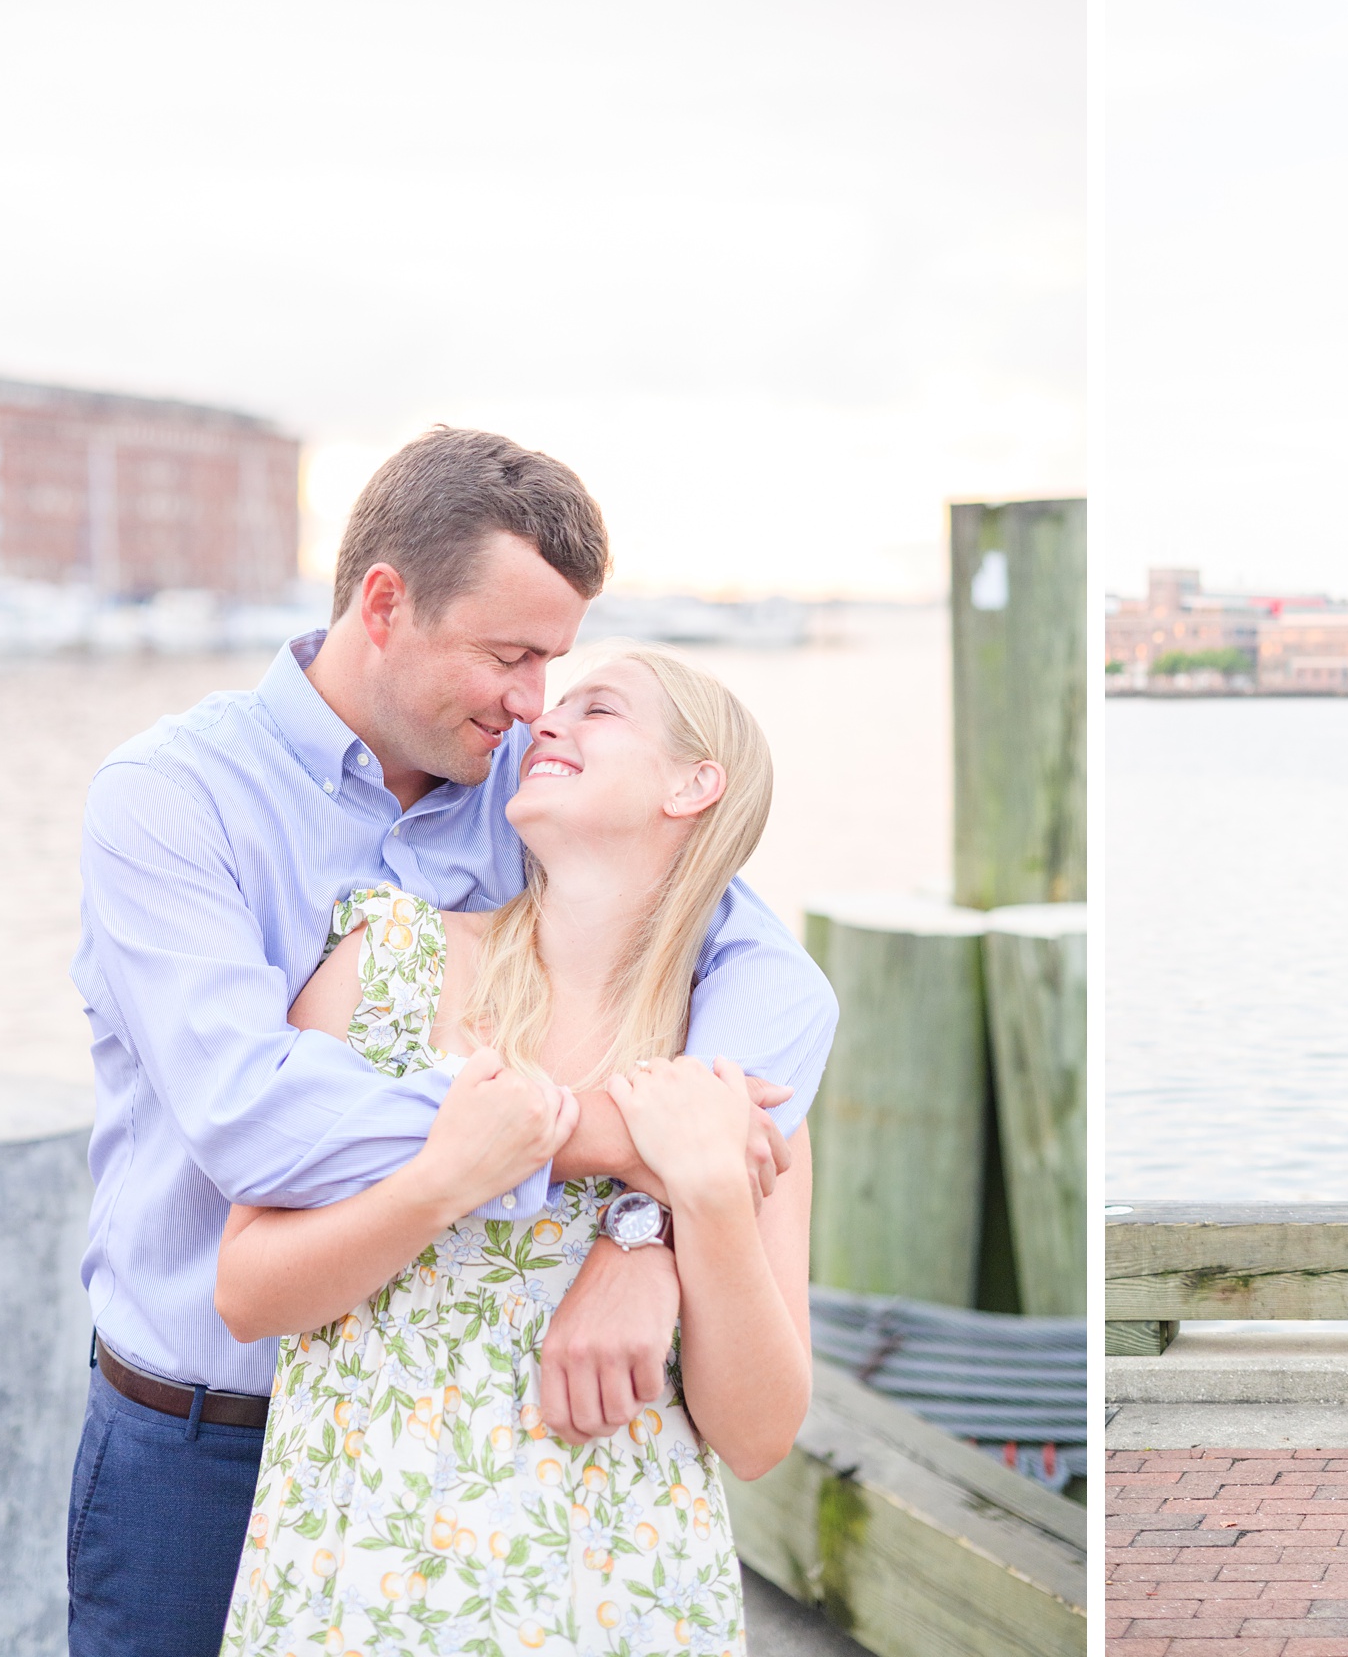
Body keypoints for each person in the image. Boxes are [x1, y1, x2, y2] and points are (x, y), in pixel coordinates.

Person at [66, 430, 836, 1657]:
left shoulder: (521, 780)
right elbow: (254, 1124)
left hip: (522, 1482)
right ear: (386, 603)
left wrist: (659, 1227)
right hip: (208, 1434)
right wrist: (602, 1136)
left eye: (562, 667)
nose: (534, 702)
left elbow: (765, 973)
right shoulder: (175, 798)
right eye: (511, 655)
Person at [213, 643, 809, 1653]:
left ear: (693, 782)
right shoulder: (390, 965)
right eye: (553, 706)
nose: (547, 721)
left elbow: (756, 1438)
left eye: (600, 709)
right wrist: (446, 1178)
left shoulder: (731, 1060)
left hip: (621, 1591)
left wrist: (695, 1205)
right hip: (371, 1575)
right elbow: (246, 1291)